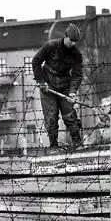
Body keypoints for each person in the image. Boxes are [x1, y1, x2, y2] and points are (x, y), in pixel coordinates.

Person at [32, 23, 83, 154]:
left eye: (75, 42)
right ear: (65, 37)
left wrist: (72, 92)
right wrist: (41, 81)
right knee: (51, 117)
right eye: (71, 40)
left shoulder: (76, 54)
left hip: (65, 85)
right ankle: (53, 146)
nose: (73, 44)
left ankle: (78, 143)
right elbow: (36, 61)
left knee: (70, 116)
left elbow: (77, 75)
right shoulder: (51, 46)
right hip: (48, 87)